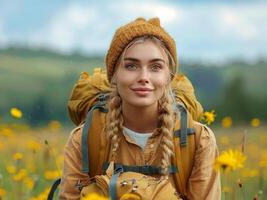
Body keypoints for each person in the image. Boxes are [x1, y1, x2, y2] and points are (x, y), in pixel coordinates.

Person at [59, 17, 221, 200]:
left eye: (155, 67)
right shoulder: (85, 137)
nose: (144, 77)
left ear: (169, 76)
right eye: (131, 66)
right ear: (114, 76)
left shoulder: (198, 140)